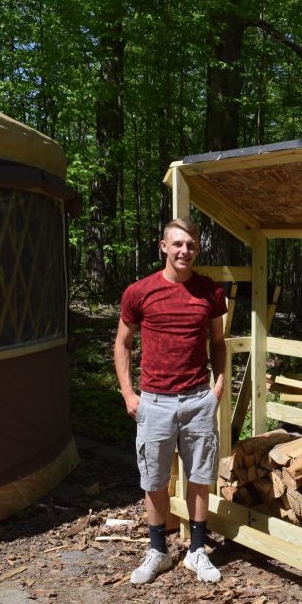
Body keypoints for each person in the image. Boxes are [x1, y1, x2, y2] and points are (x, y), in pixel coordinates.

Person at [114, 217, 228, 584]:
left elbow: (218, 343)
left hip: (198, 399)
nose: (184, 251)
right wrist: (129, 393)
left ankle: (197, 551)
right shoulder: (139, 292)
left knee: (199, 477)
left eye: (191, 245)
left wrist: (220, 384)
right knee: (154, 480)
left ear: (197, 249)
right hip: (156, 402)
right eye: (177, 244)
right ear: (163, 246)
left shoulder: (210, 293)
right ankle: (158, 551)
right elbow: (123, 344)